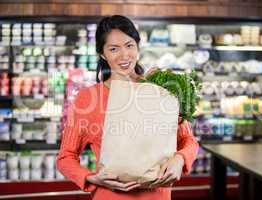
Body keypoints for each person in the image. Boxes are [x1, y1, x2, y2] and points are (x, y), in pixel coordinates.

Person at [56, 15, 199, 200]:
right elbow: (65, 157)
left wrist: (180, 159)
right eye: (114, 49)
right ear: (102, 54)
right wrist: (92, 178)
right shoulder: (87, 98)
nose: (124, 55)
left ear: (138, 46)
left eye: (129, 45)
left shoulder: (162, 89)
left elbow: (189, 140)